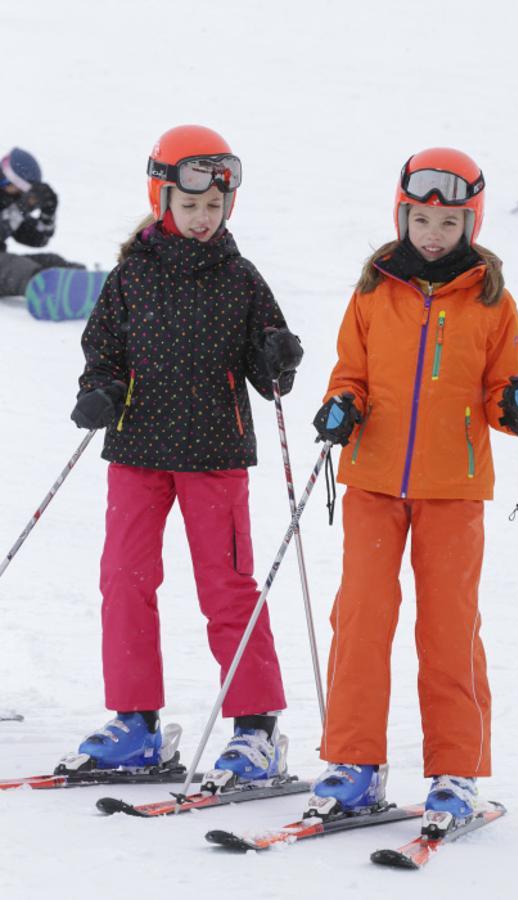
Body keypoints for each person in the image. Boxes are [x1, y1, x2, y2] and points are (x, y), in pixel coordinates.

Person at [306, 148, 518, 830]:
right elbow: (348, 371)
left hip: (453, 488)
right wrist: (340, 404)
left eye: (447, 222)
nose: (431, 234)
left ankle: (454, 773)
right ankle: (354, 764)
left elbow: (502, 387)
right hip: (372, 482)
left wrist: (517, 403)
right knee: (359, 620)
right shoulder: (373, 290)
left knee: (448, 629)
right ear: (400, 214)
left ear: (470, 223)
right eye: (419, 218)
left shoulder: (492, 300)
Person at [62, 125, 304, 787]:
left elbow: (270, 372)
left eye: (213, 207)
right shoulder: (131, 275)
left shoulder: (240, 278)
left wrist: (278, 357)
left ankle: (256, 731)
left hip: (213, 453)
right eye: (190, 205)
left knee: (226, 589)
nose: (202, 219)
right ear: (162, 197)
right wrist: (100, 392)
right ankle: (135, 724)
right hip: (137, 448)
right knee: (125, 580)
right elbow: (103, 351)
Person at [0, 147, 82, 298]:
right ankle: (50, 289)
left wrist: (48, 213)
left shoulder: (7, 202)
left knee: (52, 262)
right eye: (21, 188)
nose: (20, 194)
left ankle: (82, 282)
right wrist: (23, 206)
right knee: (17, 268)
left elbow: (35, 239)